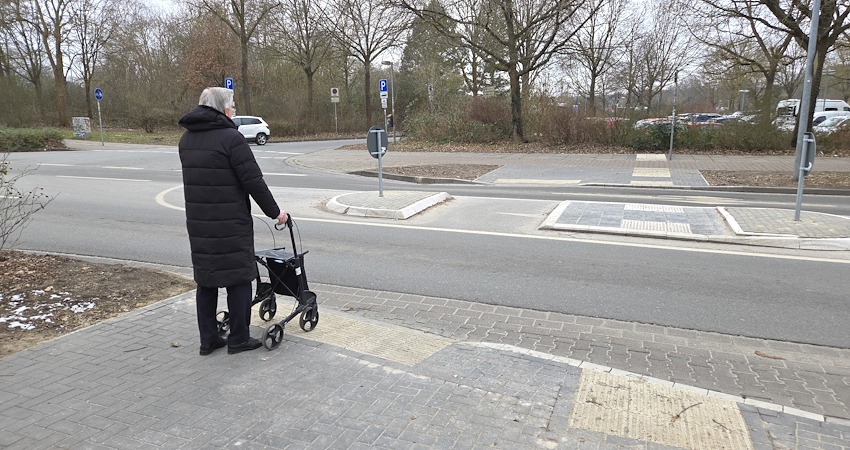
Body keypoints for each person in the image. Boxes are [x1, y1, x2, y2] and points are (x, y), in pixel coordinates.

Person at [178, 87, 288, 355]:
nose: (234, 110)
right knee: (239, 280)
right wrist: (276, 213)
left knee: (207, 281)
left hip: (199, 224)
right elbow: (253, 182)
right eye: (233, 106)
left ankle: (208, 340)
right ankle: (238, 339)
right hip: (230, 223)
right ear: (222, 109)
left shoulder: (186, 140)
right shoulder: (231, 138)